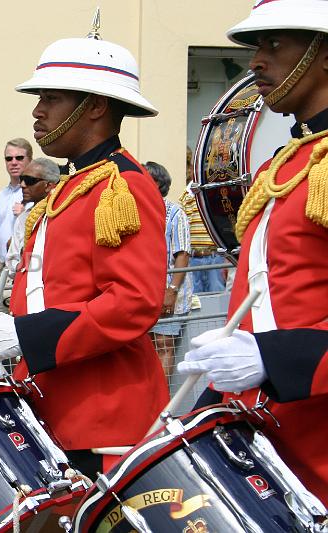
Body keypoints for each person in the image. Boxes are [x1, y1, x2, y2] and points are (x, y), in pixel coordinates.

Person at [0, 20, 168, 479]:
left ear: (96, 106)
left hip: (101, 414)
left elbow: (133, 302)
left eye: (51, 99)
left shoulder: (123, 186)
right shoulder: (74, 184)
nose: (38, 112)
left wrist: (28, 335)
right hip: (50, 403)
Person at [178, 0, 328, 503]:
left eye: (274, 44)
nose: (255, 61)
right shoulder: (283, 165)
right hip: (264, 435)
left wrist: (274, 356)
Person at [144, 161, 193, 380]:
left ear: (157, 183)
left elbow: (182, 254)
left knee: (164, 345)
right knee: (146, 348)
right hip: (145, 293)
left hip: (168, 293)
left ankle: (162, 402)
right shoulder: (140, 210)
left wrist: (172, 291)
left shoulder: (175, 213)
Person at [179, 147, 226, 293]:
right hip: (194, 258)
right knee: (195, 298)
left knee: (217, 298)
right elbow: (183, 227)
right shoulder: (187, 195)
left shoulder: (218, 193)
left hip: (214, 257)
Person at [4, 157, 61, 276]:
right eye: (22, 179)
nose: (22, 185)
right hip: (22, 283)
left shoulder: (60, 214)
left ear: (49, 185)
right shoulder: (23, 218)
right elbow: (11, 262)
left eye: (30, 180)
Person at [0, 138, 33, 281]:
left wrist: (25, 215)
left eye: (19, 158)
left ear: (30, 160)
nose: (13, 162)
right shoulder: (2, 194)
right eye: (9, 158)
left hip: (23, 266)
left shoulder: (35, 191)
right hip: (0, 268)